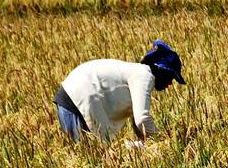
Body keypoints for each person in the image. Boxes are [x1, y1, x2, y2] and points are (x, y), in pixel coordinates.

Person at [54, 40, 185, 142]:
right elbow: (142, 119)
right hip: (77, 99)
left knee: (89, 155)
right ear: (161, 71)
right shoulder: (144, 75)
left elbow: (137, 124)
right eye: (170, 78)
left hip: (71, 98)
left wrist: (145, 141)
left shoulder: (135, 72)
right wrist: (162, 140)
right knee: (88, 157)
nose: (169, 84)